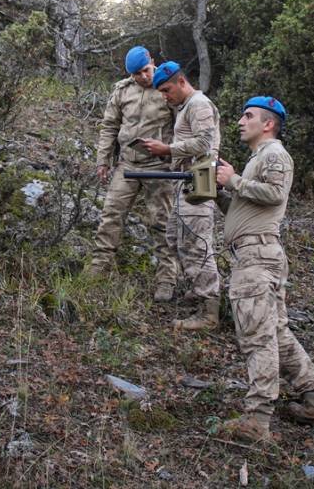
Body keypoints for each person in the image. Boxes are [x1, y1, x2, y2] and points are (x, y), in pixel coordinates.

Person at [213, 96, 314, 444]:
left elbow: (275, 194)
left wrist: (234, 180)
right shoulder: (256, 161)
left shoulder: (273, 155)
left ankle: (257, 420)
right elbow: (245, 207)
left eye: (247, 116)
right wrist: (217, 192)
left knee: (257, 336)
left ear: (267, 124)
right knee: (277, 333)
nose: (240, 121)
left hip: (257, 258)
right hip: (255, 254)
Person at [87, 46, 178, 301]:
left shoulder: (167, 86)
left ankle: (166, 279)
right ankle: (98, 269)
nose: (144, 77)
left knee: (162, 222)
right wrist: (103, 160)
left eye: (146, 70)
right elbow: (109, 126)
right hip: (127, 164)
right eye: (137, 73)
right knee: (110, 215)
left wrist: (176, 157)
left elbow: (182, 126)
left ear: (153, 62)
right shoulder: (122, 90)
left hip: (159, 166)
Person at [139, 61, 222, 331]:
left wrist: (167, 149)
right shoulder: (186, 106)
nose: (165, 96)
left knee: (197, 244)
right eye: (161, 92)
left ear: (181, 81)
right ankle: (197, 290)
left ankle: (209, 309)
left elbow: (204, 143)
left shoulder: (198, 104)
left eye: (167, 90)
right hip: (184, 184)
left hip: (197, 183)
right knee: (177, 238)